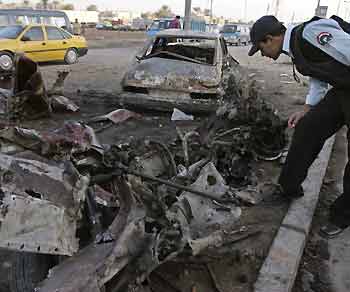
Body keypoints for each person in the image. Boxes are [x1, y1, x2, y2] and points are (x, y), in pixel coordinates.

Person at [248, 15, 350, 238]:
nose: (263, 55)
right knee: (307, 128)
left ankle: (342, 215)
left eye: (261, 49)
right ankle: (289, 187)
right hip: (343, 90)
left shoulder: (310, 34)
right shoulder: (296, 46)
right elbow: (321, 74)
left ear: (269, 39)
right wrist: (307, 108)